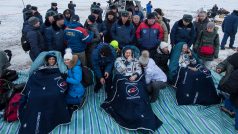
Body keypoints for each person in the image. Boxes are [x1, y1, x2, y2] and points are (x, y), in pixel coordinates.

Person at [19, 52, 70, 134]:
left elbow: (62, 80)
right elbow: (35, 76)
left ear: (56, 60)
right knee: (34, 97)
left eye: (53, 59)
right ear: (47, 60)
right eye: (50, 59)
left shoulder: (60, 68)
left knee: (54, 95)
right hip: (41, 83)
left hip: (53, 83)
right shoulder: (42, 68)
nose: (51, 61)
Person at [216, 52, 238, 130]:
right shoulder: (233, 57)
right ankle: (228, 108)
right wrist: (220, 68)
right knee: (229, 97)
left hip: (234, 87)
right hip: (226, 84)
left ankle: (231, 109)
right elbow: (223, 64)